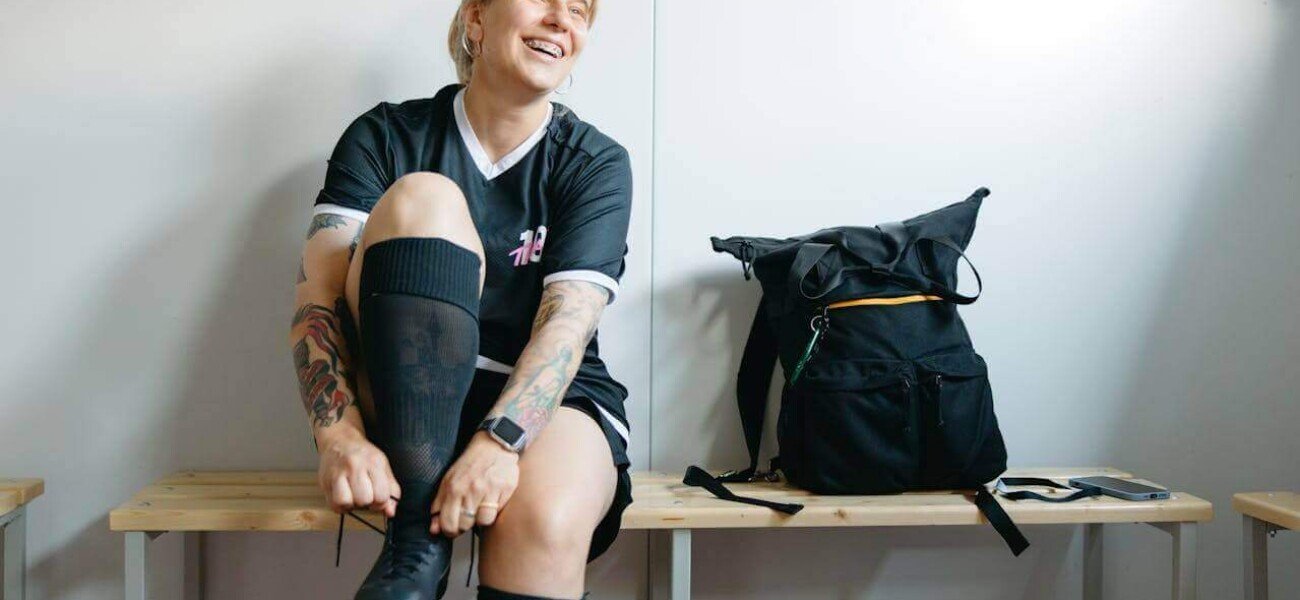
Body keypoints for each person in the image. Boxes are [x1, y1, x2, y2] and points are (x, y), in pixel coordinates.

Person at [289, 1, 632, 598]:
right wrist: (338, 437)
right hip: (399, 390)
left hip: (544, 399)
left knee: (544, 522)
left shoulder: (593, 162)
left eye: (579, 9)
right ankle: (416, 542)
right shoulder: (387, 135)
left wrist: (500, 443)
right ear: (476, 18)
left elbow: (568, 325)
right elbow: (319, 299)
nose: (561, 18)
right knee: (424, 197)